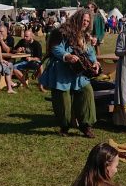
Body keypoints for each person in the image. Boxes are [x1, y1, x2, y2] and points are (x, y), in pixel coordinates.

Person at [39, 9, 99, 138]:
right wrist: (67, 56)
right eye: (83, 20)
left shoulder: (84, 35)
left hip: (78, 71)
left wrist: (95, 62)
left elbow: (89, 51)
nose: (85, 23)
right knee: (63, 99)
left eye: (88, 21)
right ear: (77, 19)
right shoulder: (62, 32)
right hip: (62, 69)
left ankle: (86, 126)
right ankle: (64, 127)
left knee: (87, 91)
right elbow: (55, 47)